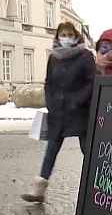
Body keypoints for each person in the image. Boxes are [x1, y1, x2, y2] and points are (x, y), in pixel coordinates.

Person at [22, 22, 95, 203]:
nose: (67, 38)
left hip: (79, 110)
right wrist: (50, 101)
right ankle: (39, 188)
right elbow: (49, 82)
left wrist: (78, 100)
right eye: (63, 35)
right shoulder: (53, 57)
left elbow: (91, 82)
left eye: (70, 35)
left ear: (76, 36)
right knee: (51, 148)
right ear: (57, 37)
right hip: (58, 111)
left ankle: (97, 187)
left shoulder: (85, 56)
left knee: (88, 150)